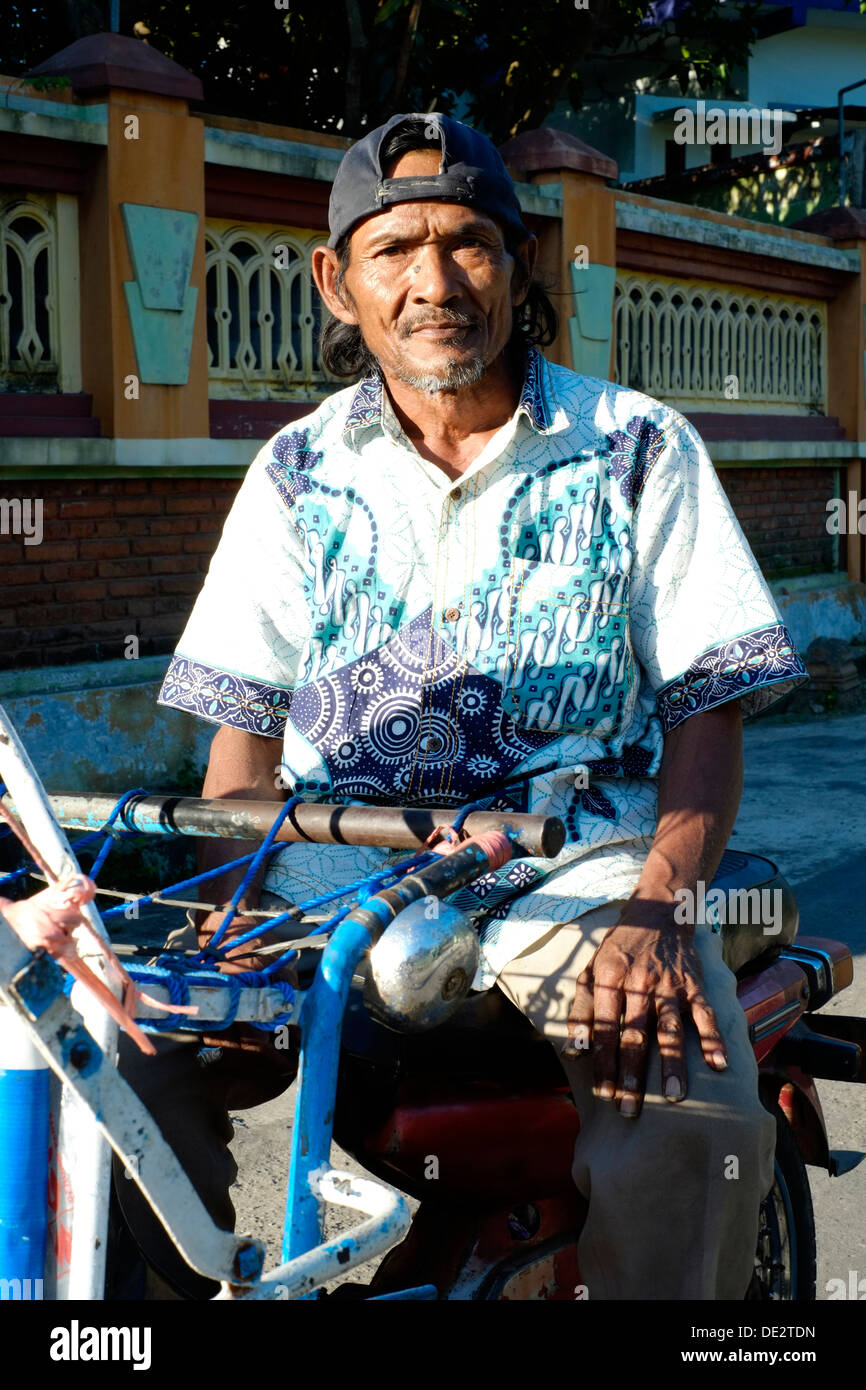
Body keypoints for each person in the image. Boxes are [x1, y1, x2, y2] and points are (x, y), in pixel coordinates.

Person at [120, 112, 808, 1301]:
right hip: (339, 870)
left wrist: (660, 906)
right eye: (393, 250)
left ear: (519, 262)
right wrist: (234, 891)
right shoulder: (295, 471)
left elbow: (710, 706)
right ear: (338, 282)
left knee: (683, 1095)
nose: (432, 282)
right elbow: (240, 752)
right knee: (113, 1046)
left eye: (466, 243)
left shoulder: (636, 446)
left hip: (577, 868)